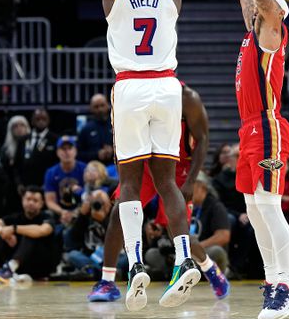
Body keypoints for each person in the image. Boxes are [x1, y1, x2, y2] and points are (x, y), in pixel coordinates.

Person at [95, 0, 212, 310]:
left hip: (129, 89)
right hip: (167, 87)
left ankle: (136, 265)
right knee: (167, 181)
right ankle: (183, 260)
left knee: (129, 182)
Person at [222, 0, 289, 319]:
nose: (253, 6)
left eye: (260, 4)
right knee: (255, 212)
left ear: (273, 12)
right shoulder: (252, 32)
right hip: (250, 130)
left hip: (269, 126)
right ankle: (274, 281)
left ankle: (288, 285)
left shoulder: (272, 30)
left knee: (270, 208)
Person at [87, 83, 229, 303]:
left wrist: (192, 180)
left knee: (177, 232)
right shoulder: (133, 89)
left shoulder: (186, 96)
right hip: (143, 162)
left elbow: (202, 139)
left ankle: (210, 269)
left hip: (178, 167)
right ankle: (107, 281)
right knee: (119, 214)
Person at [0, 186, 56, 284]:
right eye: (28, 199)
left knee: (31, 233)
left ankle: (10, 268)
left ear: (41, 204)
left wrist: (14, 229)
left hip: (40, 265)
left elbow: (41, 230)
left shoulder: (47, 218)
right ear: (22, 200)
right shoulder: (16, 217)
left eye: (35, 200)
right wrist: (3, 232)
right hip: (21, 264)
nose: (31, 203)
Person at [13, 108, 58, 190]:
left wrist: (49, 184)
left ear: (48, 120)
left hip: (46, 186)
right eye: (37, 119)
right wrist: (18, 184)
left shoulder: (55, 139)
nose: (41, 121)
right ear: (32, 121)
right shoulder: (23, 140)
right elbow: (17, 165)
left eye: (44, 119)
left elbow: (57, 165)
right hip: (25, 187)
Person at [44, 136, 86, 220]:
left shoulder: (85, 169)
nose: (67, 152)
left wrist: (77, 212)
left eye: (70, 148)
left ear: (75, 151)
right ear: (57, 152)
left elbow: (89, 195)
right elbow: (50, 201)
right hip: (59, 213)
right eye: (63, 149)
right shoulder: (51, 172)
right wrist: (62, 212)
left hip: (82, 211)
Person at [77, 94, 114, 164]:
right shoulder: (86, 129)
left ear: (108, 105)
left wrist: (113, 151)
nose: (100, 109)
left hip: (114, 166)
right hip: (94, 167)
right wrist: (97, 154)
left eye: (102, 105)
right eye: (96, 107)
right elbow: (79, 154)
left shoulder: (116, 126)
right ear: (91, 108)